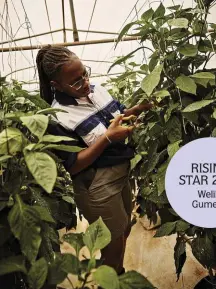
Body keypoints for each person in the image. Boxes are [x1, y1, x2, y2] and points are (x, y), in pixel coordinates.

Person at [36, 45, 152, 275]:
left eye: (85, 74)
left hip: (122, 174)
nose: (86, 83)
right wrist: (107, 138)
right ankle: (111, 278)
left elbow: (121, 114)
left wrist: (139, 108)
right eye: (76, 82)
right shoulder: (56, 116)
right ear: (56, 85)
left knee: (122, 231)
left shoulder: (98, 90)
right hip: (97, 184)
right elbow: (74, 164)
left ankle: (115, 273)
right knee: (113, 243)